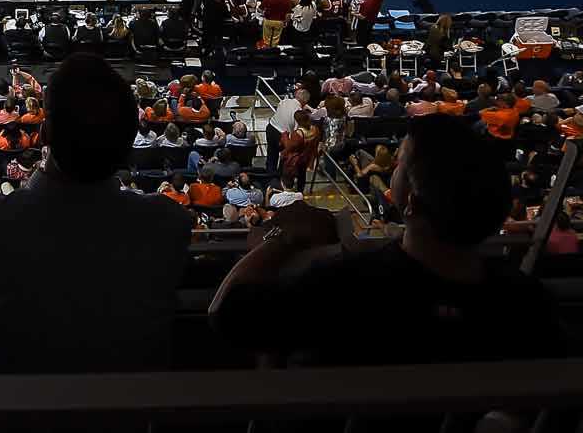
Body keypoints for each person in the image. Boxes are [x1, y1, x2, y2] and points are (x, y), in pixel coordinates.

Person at [208, 115, 561, 364]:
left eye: (400, 164)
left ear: (409, 201)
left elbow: (226, 315)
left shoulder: (346, 286)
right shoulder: (527, 302)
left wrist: (282, 237)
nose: (393, 168)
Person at [0, 55, 192, 373]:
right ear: (125, 145)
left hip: (3, 409)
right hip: (129, 409)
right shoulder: (169, 224)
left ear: (45, 135)